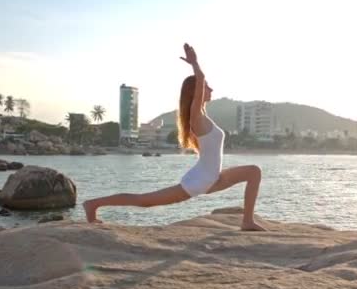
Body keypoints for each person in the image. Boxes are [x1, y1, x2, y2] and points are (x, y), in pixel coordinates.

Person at [83, 43, 266, 231]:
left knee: (254, 171)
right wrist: (195, 64)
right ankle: (93, 204)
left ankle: (247, 221)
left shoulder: (203, 116)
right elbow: (200, 80)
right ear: (197, 92)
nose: (211, 89)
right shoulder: (196, 117)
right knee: (144, 201)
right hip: (201, 181)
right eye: (206, 87)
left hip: (212, 178)